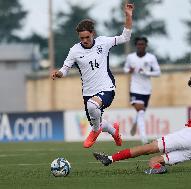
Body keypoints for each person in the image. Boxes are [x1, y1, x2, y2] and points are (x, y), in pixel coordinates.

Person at [93, 73, 191, 174]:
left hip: (189, 136)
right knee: (154, 162)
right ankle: (159, 170)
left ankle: (110, 159)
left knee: (148, 148)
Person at [50, 4, 134, 148]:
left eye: (87, 37)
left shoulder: (103, 42)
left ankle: (95, 131)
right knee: (97, 118)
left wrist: (128, 16)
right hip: (88, 92)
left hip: (107, 88)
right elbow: (65, 69)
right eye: (81, 38)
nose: (84, 40)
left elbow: (125, 37)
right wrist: (58, 73)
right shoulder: (74, 50)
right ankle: (114, 132)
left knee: (93, 107)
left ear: (92, 33)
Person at [123, 36, 161, 144]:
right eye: (138, 44)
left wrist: (147, 72)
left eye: (142, 44)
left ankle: (135, 122)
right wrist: (129, 70)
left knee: (141, 113)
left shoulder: (151, 58)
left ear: (146, 46)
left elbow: (158, 72)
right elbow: (125, 69)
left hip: (146, 90)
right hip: (134, 88)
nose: (140, 46)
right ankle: (144, 139)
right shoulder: (130, 57)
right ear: (136, 46)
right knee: (140, 111)